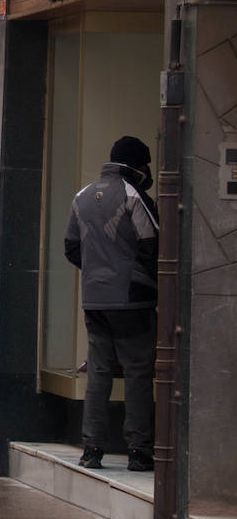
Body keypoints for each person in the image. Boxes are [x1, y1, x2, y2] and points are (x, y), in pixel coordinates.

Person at [65, 135, 159, 472]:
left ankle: (92, 448)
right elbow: (153, 245)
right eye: (146, 164)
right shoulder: (136, 196)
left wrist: (97, 273)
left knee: (99, 373)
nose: (149, 170)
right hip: (132, 299)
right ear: (135, 164)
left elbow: (71, 247)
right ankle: (139, 450)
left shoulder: (82, 196)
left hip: (94, 299)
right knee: (137, 373)